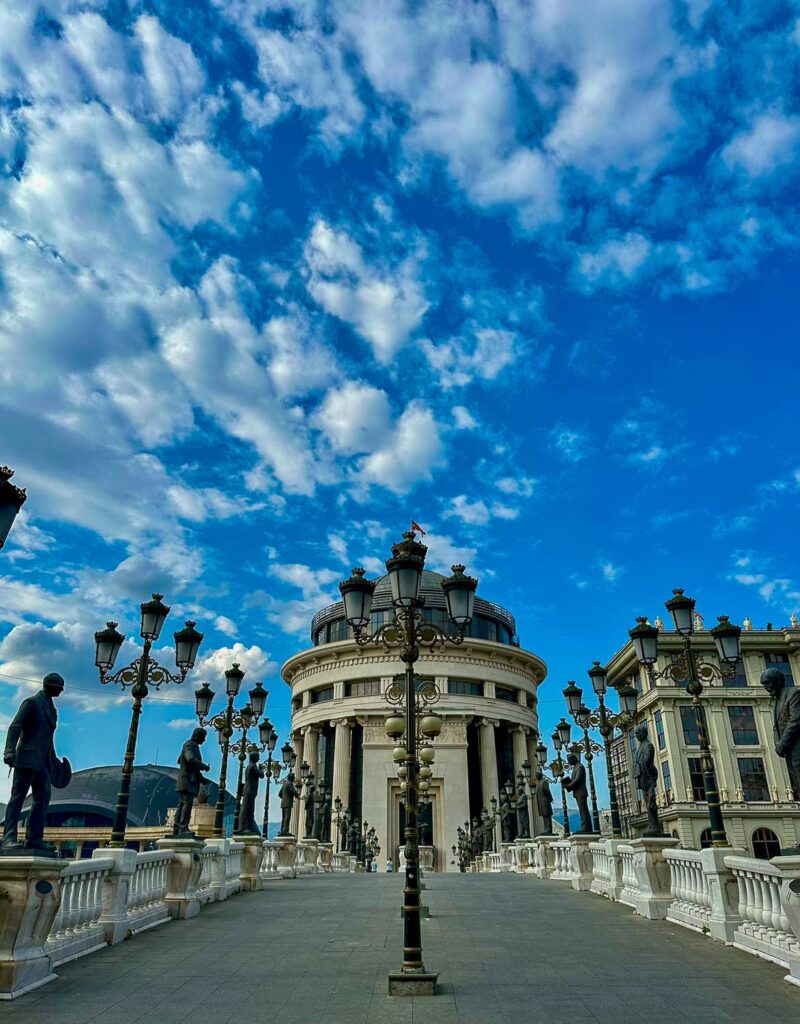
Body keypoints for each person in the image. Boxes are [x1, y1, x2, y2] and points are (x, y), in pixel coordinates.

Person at [2, 673, 71, 853]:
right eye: (59, 687)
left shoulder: (51, 709)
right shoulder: (31, 703)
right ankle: (9, 838)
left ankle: (34, 839)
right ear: (49, 685)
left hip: (43, 762)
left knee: (43, 797)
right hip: (26, 758)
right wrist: (9, 750)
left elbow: (48, 739)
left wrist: (54, 762)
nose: (61, 691)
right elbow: (15, 727)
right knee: (18, 798)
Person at [761, 666, 800, 800]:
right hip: (789, 749)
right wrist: (777, 744)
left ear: (777, 680)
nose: (766, 687)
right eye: (764, 684)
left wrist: (782, 743)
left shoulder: (793, 693)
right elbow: (776, 727)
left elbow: (795, 721)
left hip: (797, 746)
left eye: (767, 683)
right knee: (796, 781)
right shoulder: (777, 701)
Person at [173, 727, 210, 837]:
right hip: (186, 780)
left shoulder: (192, 746)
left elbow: (186, 763)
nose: (204, 740)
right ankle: (182, 828)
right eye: (203, 737)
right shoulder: (189, 745)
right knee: (186, 803)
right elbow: (190, 759)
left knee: (182, 804)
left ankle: (177, 828)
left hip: (188, 779)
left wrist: (202, 779)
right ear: (197, 736)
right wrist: (203, 766)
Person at [633, 722, 663, 836]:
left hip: (648, 776)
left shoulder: (648, 745)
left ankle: (655, 825)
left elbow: (647, 760)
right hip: (642, 777)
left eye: (638, 733)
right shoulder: (640, 747)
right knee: (647, 801)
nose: (636, 735)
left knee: (651, 801)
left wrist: (637, 766)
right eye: (635, 733)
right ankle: (652, 824)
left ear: (644, 733)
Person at [562, 752, 593, 834]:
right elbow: (574, 780)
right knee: (582, 810)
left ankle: (586, 827)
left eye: (569, 760)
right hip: (578, 792)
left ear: (573, 759)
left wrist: (568, 786)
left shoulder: (580, 767)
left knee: (583, 810)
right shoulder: (576, 767)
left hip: (581, 792)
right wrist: (568, 784)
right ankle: (585, 826)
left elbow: (577, 780)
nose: (568, 763)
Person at [237, 750, 264, 835]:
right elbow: (262, 775)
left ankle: (249, 827)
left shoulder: (250, 766)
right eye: (258, 756)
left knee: (249, 809)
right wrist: (261, 769)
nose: (259, 758)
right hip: (249, 791)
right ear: (254, 758)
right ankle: (241, 828)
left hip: (250, 791)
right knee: (246, 809)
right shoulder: (252, 767)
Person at [277, 771, 300, 836]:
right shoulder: (290, 783)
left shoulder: (284, 783)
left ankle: (282, 830)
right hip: (288, 803)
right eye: (293, 777)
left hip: (283, 803)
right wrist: (298, 796)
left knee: (284, 818)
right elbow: (294, 791)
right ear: (291, 778)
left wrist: (284, 798)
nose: (294, 779)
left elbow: (279, 794)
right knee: (287, 817)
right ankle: (285, 831)